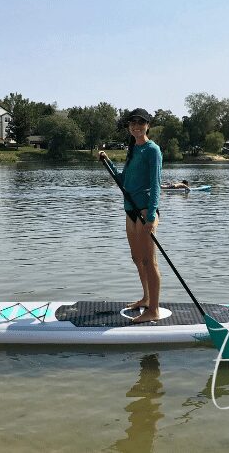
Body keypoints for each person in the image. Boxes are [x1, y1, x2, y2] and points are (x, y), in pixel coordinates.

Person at [99, 108, 163, 323]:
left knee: (149, 260)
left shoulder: (152, 150)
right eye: (132, 123)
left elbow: (155, 184)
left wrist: (152, 216)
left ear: (147, 126)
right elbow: (123, 181)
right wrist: (108, 163)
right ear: (129, 127)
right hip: (130, 210)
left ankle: (154, 309)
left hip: (145, 210)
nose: (136, 126)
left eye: (140, 123)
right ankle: (145, 299)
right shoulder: (133, 150)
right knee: (137, 258)